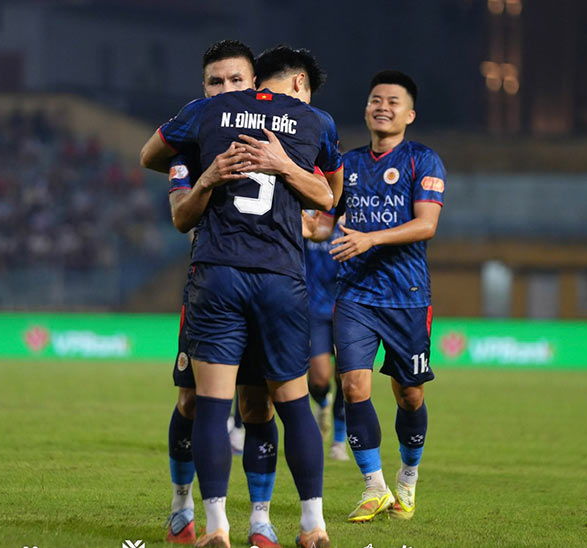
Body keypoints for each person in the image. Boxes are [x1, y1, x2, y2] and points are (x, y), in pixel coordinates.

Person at [142, 45, 342, 548]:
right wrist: (210, 174)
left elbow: (147, 155)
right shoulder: (305, 123)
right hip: (266, 279)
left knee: (245, 405)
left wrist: (285, 171)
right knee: (200, 400)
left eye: (235, 80)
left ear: (254, 83)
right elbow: (329, 197)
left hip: (225, 275)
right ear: (204, 86)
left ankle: (245, 522)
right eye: (215, 82)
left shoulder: (206, 119)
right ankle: (191, 510)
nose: (225, 90)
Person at [330, 70, 445, 523]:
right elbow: (327, 219)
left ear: (409, 114)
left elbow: (427, 224)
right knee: (352, 387)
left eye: (393, 101)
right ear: (366, 109)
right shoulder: (348, 164)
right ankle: (374, 487)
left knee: (409, 395)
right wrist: (308, 226)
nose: (382, 106)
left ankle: (407, 479)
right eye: (376, 99)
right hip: (355, 294)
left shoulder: (423, 160)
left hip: (407, 296)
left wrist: (371, 238)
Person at [303, 211, 349, 460]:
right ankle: (322, 402)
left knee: (346, 376)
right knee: (319, 379)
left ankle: (339, 441)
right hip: (315, 308)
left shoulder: (349, 219)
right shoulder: (307, 215)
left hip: (346, 307)